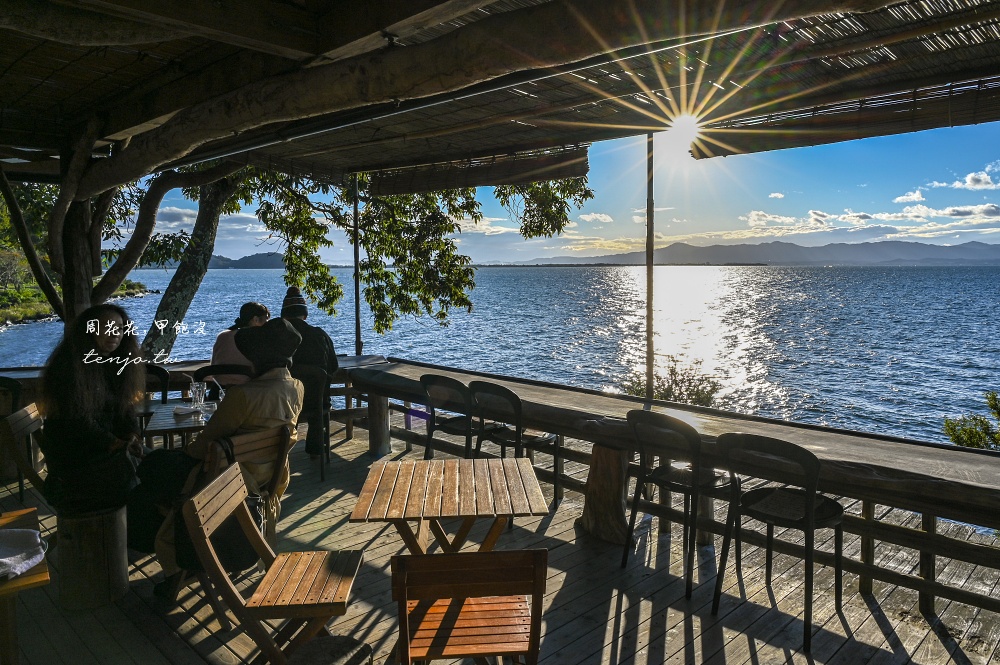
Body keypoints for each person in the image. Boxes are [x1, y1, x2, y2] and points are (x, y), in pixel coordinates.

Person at [131, 317, 305, 599]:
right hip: (262, 481)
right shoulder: (296, 388)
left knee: (151, 473)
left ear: (255, 358)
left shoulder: (243, 395)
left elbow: (202, 449)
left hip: (223, 486)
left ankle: (177, 565)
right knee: (157, 466)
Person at [39, 303, 145, 515]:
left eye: (120, 328)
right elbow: (76, 423)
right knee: (152, 475)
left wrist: (132, 435)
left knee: (161, 465)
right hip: (76, 468)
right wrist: (116, 443)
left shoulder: (112, 364)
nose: (115, 333)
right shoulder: (68, 367)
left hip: (104, 457)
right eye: (106, 327)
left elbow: (124, 410)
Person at [279, 286, 339, 458]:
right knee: (318, 400)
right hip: (316, 402)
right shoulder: (320, 335)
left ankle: (280, 451)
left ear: (284, 316)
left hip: (285, 403)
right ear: (305, 315)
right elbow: (333, 366)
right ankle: (316, 451)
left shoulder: (277, 337)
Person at [209, 301, 269, 388]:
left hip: (218, 388)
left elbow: (213, 365)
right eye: (266, 320)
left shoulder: (222, 336)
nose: (267, 324)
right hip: (247, 390)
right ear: (255, 320)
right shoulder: (257, 338)